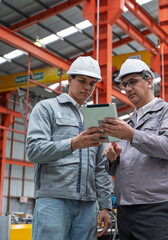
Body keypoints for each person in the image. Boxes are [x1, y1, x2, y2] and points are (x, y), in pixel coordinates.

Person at [26, 56, 112, 240]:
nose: (87, 88)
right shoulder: (46, 109)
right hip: (53, 200)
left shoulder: (95, 116)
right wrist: (73, 144)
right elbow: (33, 150)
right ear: (69, 80)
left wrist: (105, 205)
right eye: (82, 81)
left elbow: (100, 166)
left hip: (88, 206)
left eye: (92, 83)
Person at [101, 59, 168, 240]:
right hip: (126, 210)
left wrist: (132, 135)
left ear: (149, 81)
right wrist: (112, 159)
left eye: (132, 82)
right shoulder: (127, 122)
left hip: (157, 210)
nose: (127, 88)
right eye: (124, 84)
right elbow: (117, 168)